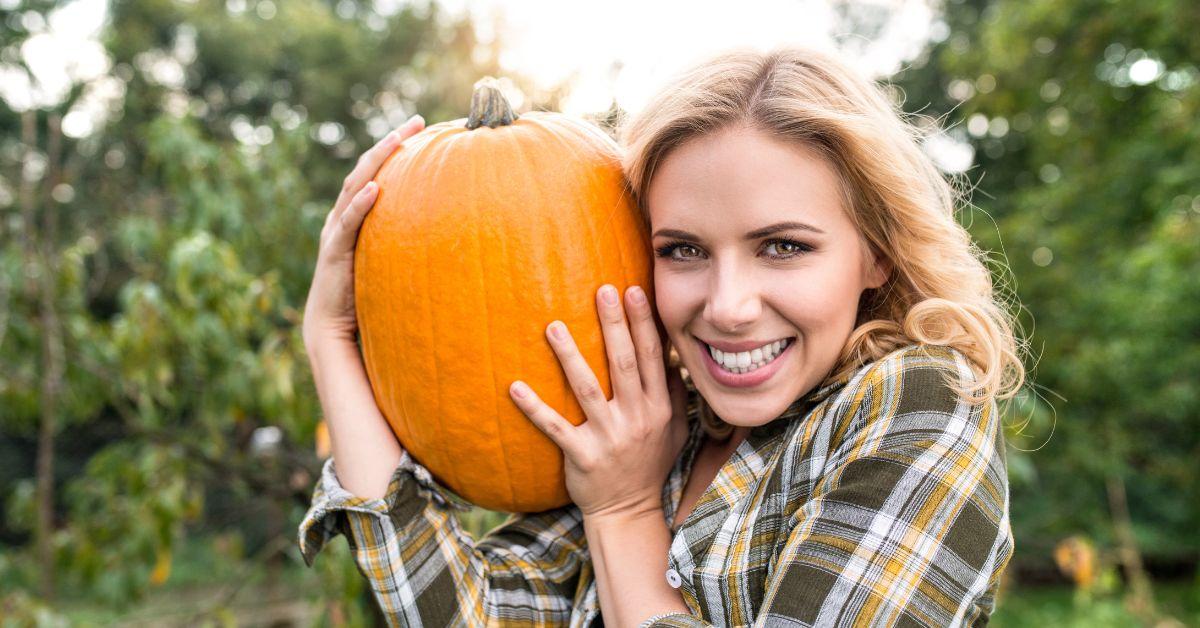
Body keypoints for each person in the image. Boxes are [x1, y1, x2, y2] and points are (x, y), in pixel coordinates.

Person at [298, 47, 1023, 627]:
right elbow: (463, 610)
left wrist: (624, 514)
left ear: (876, 252)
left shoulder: (920, 404)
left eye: (782, 246)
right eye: (683, 250)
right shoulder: (656, 432)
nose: (729, 307)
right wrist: (332, 336)